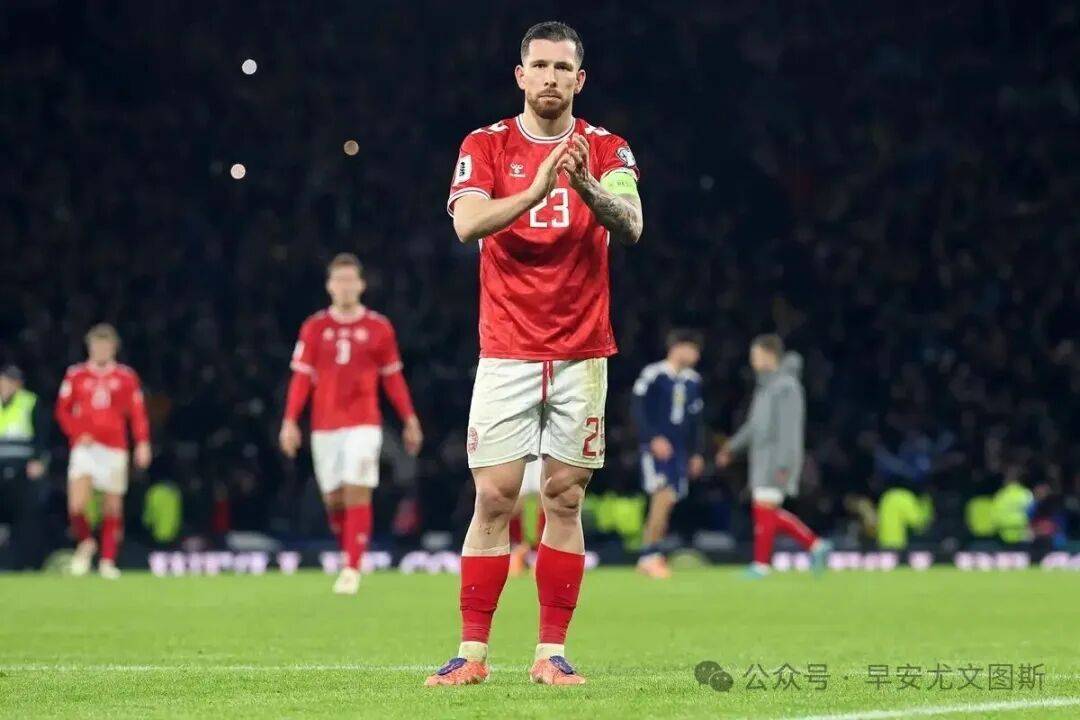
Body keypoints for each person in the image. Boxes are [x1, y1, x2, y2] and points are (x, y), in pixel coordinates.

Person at [426, 20, 643, 687]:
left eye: (562, 68)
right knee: (494, 496)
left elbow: (632, 224)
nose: (551, 78)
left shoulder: (607, 147)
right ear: (521, 75)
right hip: (508, 349)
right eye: (540, 66)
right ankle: (472, 653)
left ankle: (551, 653)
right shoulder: (485, 144)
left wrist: (585, 187)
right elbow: (466, 224)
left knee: (563, 497)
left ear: (580, 79)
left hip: (581, 351)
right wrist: (536, 190)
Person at [280, 253, 423, 595]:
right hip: (324, 426)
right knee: (334, 499)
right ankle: (350, 552)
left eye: (350, 280)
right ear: (329, 286)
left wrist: (409, 419)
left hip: (364, 424)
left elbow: (393, 379)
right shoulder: (314, 327)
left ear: (361, 285)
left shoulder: (379, 327)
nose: (345, 287)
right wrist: (289, 421)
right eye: (339, 280)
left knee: (357, 488)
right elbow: (301, 379)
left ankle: (352, 567)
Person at [717, 334, 830, 577]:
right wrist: (731, 448)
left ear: (770, 355)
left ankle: (763, 564)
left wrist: (784, 465)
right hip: (762, 459)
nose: (753, 361)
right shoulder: (766, 387)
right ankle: (815, 546)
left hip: (776, 460)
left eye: (756, 356)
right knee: (766, 513)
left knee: (765, 510)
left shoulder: (787, 387)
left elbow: (790, 430)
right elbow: (753, 426)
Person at [55, 324, 152, 579]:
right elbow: (62, 411)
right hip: (85, 448)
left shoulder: (126, 377)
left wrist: (142, 443)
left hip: (114, 448)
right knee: (77, 504)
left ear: (113, 348)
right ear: (89, 347)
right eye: (96, 345)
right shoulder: (76, 375)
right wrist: (77, 433)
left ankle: (107, 561)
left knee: (112, 506)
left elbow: (137, 413)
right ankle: (86, 542)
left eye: (105, 346)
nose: (100, 350)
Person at [631, 330, 706, 579]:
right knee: (661, 497)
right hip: (657, 449)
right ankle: (649, 555)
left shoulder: (693, 381)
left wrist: (696, 453)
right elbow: (638, 409)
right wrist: (651, 438)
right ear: (678, 347)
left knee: (668, 500)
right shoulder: (654, 374)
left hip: (679, 451)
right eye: (693, 349)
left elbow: (696, 422)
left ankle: (650, 553)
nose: (696, 356)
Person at [0, 365, 49, 569]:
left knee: (25, 517)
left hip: (23, 469)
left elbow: (42, 434)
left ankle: (24, 563)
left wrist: (38, 460)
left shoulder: (29, 402)